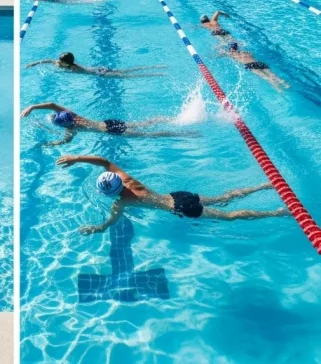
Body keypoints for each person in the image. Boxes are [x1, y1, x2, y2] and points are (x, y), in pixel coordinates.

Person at [55, 154, 288, 234]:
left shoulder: (122, 202)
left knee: (229, 216)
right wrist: (76, 158)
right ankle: (264, 186)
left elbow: (109, 222)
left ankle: (278, 212)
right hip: (178, 195)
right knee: (224, 197)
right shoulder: (128, 181)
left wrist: (97, 228)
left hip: (180, 208)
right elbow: (104, 161)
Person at [19, 101, 193, 146]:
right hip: (109, 122)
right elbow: (51, 105)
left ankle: (182, 134)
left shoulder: (72, 128)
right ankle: (173, 119)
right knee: (144, 123)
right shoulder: (74, 116)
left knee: (148, 135)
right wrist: (32, 107)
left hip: (112, 131)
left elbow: (67, 141)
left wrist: (51, 143)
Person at [25, 52, 165, 78]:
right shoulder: (65, 63)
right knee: (124, 71)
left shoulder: (73, 68)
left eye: (60, 61)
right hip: (97, 68)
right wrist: (34, 63)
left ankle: (153, 72)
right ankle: (156, 68)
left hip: (98, 73)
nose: (57, 62)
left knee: (124, 75)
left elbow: (55, 65)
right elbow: (48, 61)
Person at [222, 42, 289, 92]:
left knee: (266, 77)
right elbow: (251, 54)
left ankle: (279, 90)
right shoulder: (246, 52)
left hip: (251, 65)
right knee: (273, 75)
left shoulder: (233, 54)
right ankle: (286, 85)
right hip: (259, 63)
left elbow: (223, 53)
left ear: (231, 49)